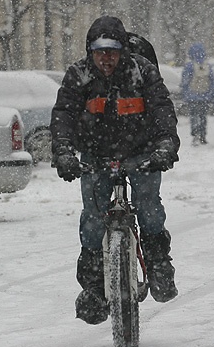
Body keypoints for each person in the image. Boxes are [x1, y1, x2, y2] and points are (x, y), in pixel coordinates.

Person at [50, 16, 180, 325]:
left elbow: (162, 109)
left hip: (142, 153)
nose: (106, 58)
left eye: (112, 51)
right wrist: (63, 152)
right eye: (100, 51)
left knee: (149, 207)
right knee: (93, 218)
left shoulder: (142, 72)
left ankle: (158, 264)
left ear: (123, 51)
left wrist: (166, 144)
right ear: (90, 51)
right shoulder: (78, 75)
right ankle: (95, 287)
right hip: (96, 156)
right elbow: (64, 115)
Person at [181, 43, 214, 145]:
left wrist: (184, 94)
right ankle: (203, 135)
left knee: (194, 115)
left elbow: (185, 82)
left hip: (192, 96)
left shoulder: (189, 66)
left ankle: (195, 135)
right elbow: (212, 82)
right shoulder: (207, 66)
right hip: (205, 96)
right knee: (203, 116)